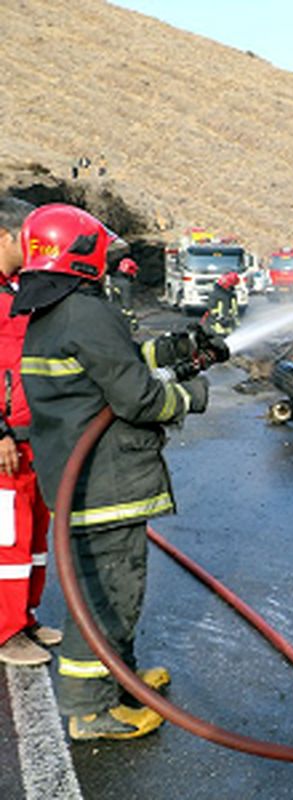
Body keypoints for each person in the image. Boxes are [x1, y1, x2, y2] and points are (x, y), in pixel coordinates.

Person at [14, 203, 209, 741]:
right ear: (81, 251)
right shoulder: (86, 311)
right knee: (109, 594)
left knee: (106, 586)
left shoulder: (52, 312)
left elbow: (108, 362)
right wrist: (189, 396)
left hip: (77, 479)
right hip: (106, 480)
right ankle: (90, 709)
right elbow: (137, 396)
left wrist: (169, 349)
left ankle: (118, 678)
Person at [0, 197, 60, 667]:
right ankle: (5, 631)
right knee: (9, 538)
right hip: (6, 442)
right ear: (4, 236)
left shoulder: (18, 289)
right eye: (28, 238)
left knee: (36, 532)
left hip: (33, 435)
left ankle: (26, 615)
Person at [107, 257, 139, 332]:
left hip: (108, 314)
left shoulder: (112, 280)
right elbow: (127, 306)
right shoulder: (125, 284)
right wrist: (133, 322)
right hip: (119, 319)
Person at [203, 270, 240, 335]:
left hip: (218, 322)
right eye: (232, 285)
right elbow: (222, 312)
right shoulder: (223, 296)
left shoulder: (227, 294)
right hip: (216, 325)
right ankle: (219, 326)